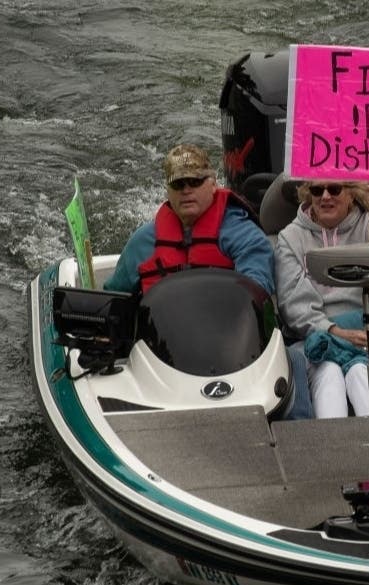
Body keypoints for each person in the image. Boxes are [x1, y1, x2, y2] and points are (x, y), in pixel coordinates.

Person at [103, 143, 312, 419]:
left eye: (195, 181)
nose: (187, 189)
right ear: (168, 190)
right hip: (162, 354)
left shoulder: (243, 235)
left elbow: (257, 288)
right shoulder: (143, 242)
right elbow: (113, 300)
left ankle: (298, 435)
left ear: (212, 184)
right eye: (178, 184)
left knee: (294, 359)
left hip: (233, 347)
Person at [275, 180, 369, 418]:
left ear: (351, 194)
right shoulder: (290, 237)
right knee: (329, 372)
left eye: (335, 189)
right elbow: (293, 305)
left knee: (362, 371)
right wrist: (337, 332)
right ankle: (333, 451)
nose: (325, 196)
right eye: (317, 190)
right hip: (317, 339)